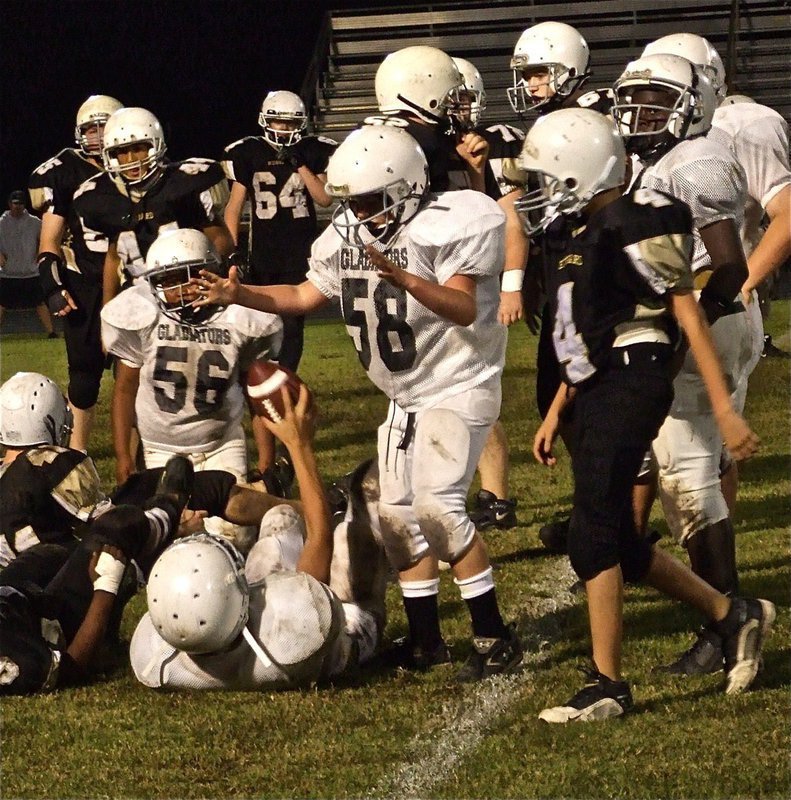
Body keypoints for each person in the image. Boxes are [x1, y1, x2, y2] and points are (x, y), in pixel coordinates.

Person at [193, 124, 523, 682]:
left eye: (370, 200)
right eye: (352, 201)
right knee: (394, 517)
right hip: (405, 393)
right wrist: (238, 294)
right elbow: (301, 296)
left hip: (460, 380)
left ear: (406, 185)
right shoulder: (346, 234)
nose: (360, 212)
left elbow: (465, 310)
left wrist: (408, 279)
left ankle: (494, 635)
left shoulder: (455, 218)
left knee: (438, 508)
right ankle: (426, 641)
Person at [516, 107, 773, 722]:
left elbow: (684, 310)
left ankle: (607, 682)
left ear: (581, 172)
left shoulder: (633, 222)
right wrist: (557, 407)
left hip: (636, 381)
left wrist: (721, 408)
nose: (537, 190)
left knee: (593, 531)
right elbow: (584, 337)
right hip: (601, 383)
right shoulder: (580, 237)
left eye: (547, 175)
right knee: (612, 536)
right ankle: (729, 613)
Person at [613, 53, 755, 675]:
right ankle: (725, 618)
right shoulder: (661, 160)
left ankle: (729, 622)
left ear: (691, 104)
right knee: (687, 475)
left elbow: (727, 265)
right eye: (635, 99)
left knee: (688, 477)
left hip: (710, 323)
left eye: (656, 101)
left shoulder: (694, 159)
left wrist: (676, 334)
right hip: (703, 322)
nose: (640, 113)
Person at [130, 385, 389, 690]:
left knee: (279, 519)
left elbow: (194, 602)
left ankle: (328, 501)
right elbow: (321, 537)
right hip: (339, 624)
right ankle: (342, 505)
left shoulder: (163, 655)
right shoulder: (299, 626)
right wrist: (299, 444)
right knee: (359, 515)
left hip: (236, 637)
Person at [641, 33, 791, 515]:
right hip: (679, 295)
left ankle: (713, 579)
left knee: (696, 455)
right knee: (654, 442)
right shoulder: (663, 139)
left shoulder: (743, 127)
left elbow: (787, 214)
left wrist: (739, 285)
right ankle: (627, 542)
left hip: (710, 296)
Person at [376, 46, 521, 529]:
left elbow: (476, 218)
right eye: (450, 97)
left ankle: (458, 500)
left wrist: (476, 172)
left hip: (433, 283)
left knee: (460, 390)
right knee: (459, 390)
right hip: (419, 283)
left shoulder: (429, 144)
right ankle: (451, 499)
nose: (459, 108)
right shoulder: (421, 148)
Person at [100, 228, 283, 552]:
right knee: (171, 540)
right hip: (160, 446)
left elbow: (256, 394)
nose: (176, 289)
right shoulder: (143, 315)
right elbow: (125, 389)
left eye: (184, 278)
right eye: (166, 281)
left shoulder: (239, 316)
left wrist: (266, 460)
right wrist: (124, 454)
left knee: (234, 538)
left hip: (220, 444)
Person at [505, 21, 616, 551]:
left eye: (539, 74)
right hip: (559, 272)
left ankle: (612, 517)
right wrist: (527, 278)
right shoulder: (554, 122)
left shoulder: (594, 117)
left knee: (593, 397)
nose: (530, 85)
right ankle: (595, 506)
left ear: (568, 67)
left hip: (595, 274)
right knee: (558, 395)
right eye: (526, 76)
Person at [222, 90, 337, 473]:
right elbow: (233, 209)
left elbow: (324, 199)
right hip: (262, 266)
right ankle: (268, 455)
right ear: (265, 121)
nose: (284, 130)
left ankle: (284, 445)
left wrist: (302, 165)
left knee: (286, 360)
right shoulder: (249, 153)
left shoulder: (313, 151)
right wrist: (232, 253)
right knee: (256, 360)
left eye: (291, 123)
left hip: (299, 268)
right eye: (278, 122)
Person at [450, 56, 526, 531]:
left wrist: (511, 286)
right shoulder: (426, 147)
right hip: (440, 279)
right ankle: (482, 495)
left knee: (474, 387)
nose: (456, 109)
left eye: (461, 99)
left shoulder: (499, 144)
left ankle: (494, 496)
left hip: (477, 280)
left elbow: (509, 222)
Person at [28, 94, 124, 451]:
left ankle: (143, 454)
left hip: (132, 282)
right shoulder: (65, 172)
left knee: (137, 373)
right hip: (84, 280)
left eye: (106, 127)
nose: (98, 136)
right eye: (91, 128)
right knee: (84, 379)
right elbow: (49, 240)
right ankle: (78, 454)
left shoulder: (136, 164)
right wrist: (52, 286)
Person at [70, 106, 233, 307]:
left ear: (155, 145)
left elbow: (220, 240)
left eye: (138, 149)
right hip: (140, 299)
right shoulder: (101, 197)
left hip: (191, 292)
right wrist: (108, 308)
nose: (130, 160)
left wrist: (212, 281)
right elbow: (114, 256)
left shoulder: (184, 184)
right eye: (121, 152)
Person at [0, 191, 54, 337]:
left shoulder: (35, 222)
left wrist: (40, 254)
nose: (17, 206)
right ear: (9, 203)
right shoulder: (1, 222)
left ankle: (51, 332)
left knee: (40, 303)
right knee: (1, 304)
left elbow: (46, 239)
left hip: (31, 272)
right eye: (15, 203)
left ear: (25, 205)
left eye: (20, 204)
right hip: (8, 272)